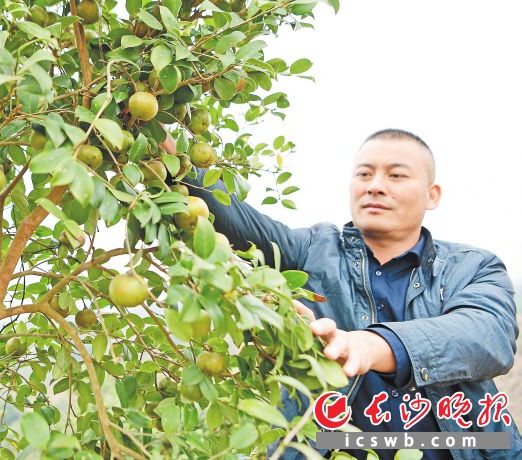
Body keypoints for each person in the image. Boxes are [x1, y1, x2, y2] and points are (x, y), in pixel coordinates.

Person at [161, 128, 520, 459]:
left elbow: (488, 335)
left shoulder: (472, 266)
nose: (375, 186)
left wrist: (371, 345)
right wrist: (165, 147)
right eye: (364, 174)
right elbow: (230, 217)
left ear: (432, 195)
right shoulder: (311, 251)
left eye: (396, 175)